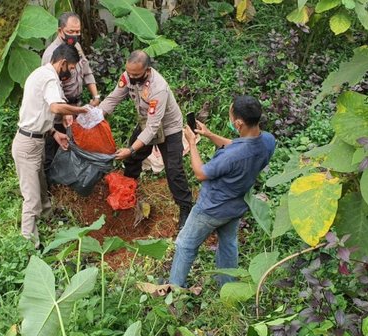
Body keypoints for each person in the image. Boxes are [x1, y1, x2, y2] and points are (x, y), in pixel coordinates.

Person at [168, 95, 276, 287]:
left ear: (239, 123)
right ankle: (228, 286)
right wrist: (209, 135)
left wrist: (192, 143)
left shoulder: (233, 156)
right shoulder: (267, 140)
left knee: (185, 244)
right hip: (236, 205)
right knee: (228, 245)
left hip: (211, 208)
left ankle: (174, 289)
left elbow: (201, 173)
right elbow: (235, 144)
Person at [99, 50, 193, 229]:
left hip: (168, 128)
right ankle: (128, 189)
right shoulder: (128, 76)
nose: (131, 77)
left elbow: (153, 128)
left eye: (136, 75)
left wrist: (131, 148)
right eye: (129, 73)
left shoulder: (158, 89)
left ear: (147, 70)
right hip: (146, 122)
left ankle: (185, 207)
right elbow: (114, 98)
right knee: (133, 160)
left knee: (174, 170)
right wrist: (97, 115)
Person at [12, 44, 89, 246]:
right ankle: (30, 244)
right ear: (63, 63)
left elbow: (38, 112)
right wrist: (80, 111)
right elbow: (55, 106)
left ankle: (48, 219)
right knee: (32, 198)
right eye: (71, 68)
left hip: (35, 139)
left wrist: (54, 133)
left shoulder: (40, 74)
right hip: (27, 145)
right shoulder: (50, 78)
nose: (71, 73)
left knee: (42, 185)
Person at [41, 12, 100, 175]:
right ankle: (50, 187)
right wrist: (66, 110)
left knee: (73, 144)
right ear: (60, 31)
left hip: (76, 106)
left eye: (78, 32)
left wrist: (96, 96)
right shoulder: (51, 55)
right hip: (59, 111)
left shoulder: (76, 47)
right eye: (71, 31)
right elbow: (54, 87)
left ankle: (69, 179)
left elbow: (87, 71)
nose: (75, 35)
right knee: (53, 148)